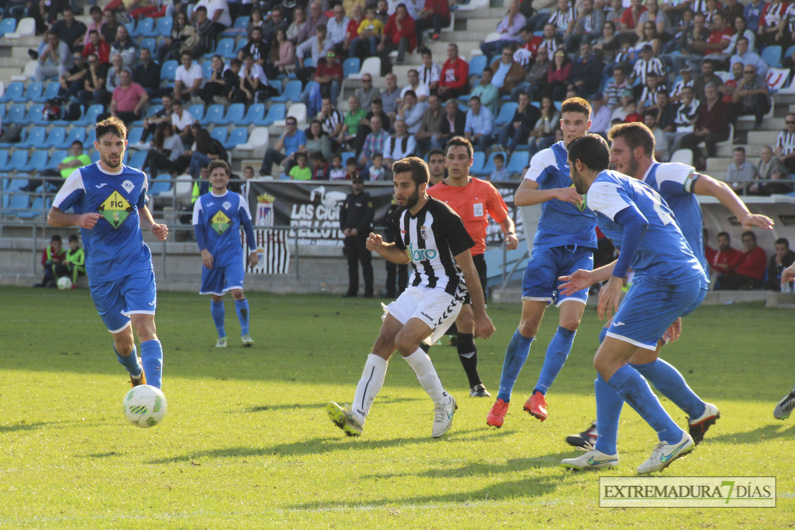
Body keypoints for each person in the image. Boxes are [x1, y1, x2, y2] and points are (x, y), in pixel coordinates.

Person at [562, 122, 775, 451]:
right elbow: (644, 242)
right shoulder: (631, 186)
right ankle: (696, 411)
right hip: (667, 279)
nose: (613, 158)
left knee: (612, 348)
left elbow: (716, 186)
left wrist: (743, 216)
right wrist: (596, 276)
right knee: (637, 357)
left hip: (670, 278)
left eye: (618, 151)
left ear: (638, 151)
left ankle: (612, 439)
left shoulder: (664, 175)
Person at [557, 134, 706, 474]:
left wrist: (617, 279)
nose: (570, 173)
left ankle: (671, 436)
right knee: (608, 352)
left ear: (578, 164)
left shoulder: (599, 189)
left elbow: (637, 225)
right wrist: (597, 276)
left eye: (570, 166)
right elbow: (652, 237)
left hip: (663, 279)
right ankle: (605, 448)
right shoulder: (627, 182)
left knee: (607, 360)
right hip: (676, 275)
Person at [327, 157, 495, 438]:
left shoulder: (445, 217)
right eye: (395, 185)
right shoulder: (402, 216)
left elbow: (469, 268)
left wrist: (480, 313)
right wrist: (382, 248)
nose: (399, 191)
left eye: (405, 185)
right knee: (382, 343)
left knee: (405, 341)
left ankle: (444, 403)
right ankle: (357, 416)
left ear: (423, 186)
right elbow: (404, 255)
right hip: (418, 287)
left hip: (447, 290)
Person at [486, 98, 595, 429]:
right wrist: (558, 192)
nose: (573, 128)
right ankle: (503, 398)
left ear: (589, 125)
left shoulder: (599, 159)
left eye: (579, 122)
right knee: (529, 326)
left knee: (572, 322)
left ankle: (539, 395)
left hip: (581, 252)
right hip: (547, 250)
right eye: (568, 122)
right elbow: (520, 197)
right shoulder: (548, 157)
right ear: (560, 124)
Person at [47, 116, 169, 389]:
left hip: (135, 262)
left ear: (126, 145)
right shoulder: (82, 177)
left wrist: (152, 225)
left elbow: (139, 205)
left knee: (144, 327)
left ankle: (153, 394)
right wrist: (78, 219)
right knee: (124, 343)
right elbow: (53, 217)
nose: (113, 149)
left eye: (118, 144)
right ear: (97, 146)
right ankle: (136, 374)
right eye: (107, 144)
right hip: (101, 271)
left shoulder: (137, 178)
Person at [429, 137, 519, 395]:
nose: (455, 163)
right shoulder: (433, 196)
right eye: (451, 158)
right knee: (467, 319)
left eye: (461, 158)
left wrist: (510, 234)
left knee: (466, 323)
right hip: (444, 263)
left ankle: (471, 381)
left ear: (470, 162)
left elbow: (504, 219)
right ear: (445, 161)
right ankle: (476, 385)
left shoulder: (485, 189)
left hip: (475, 261)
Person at [192, 160, 257, 348]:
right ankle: (222, 336)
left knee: (237, 291)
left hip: (233, 256)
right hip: (213, 257)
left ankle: (245, 333)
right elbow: (198, 230)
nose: (219, 178)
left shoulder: (237, 200)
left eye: (222, 175)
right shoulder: (202, 202)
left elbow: (249, 227)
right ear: (209, 178)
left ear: (228, 178)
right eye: (215, 175)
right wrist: (204, 251)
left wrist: (253, 251)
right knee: (216, 297)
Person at [340, 175, 375, 298]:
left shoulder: (367, 198)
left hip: (362, 236)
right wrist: (344, 229)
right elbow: (342, 215)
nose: (357, 184)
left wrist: (358, 229)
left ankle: (368, 291)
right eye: (355, 182)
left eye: (359, 182)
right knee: (351, 265)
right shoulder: (349, 199)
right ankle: (352, 290)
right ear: (352, 184)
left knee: (366, 264)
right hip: (349, 237)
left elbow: (369, 216)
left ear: (362, 184)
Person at [22, 140, 91, 192]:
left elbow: (74, 163)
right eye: (74, 149)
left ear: (81, 149)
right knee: (47, 172)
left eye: (78, 148)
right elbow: (59, 166)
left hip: (73, 181)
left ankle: (47, 194)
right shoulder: (68, 158)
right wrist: (69, 165)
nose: (76, 150)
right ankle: (31, 187)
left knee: (62, 189)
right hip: (61, 178)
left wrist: (66, 165)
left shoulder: (85, 157)